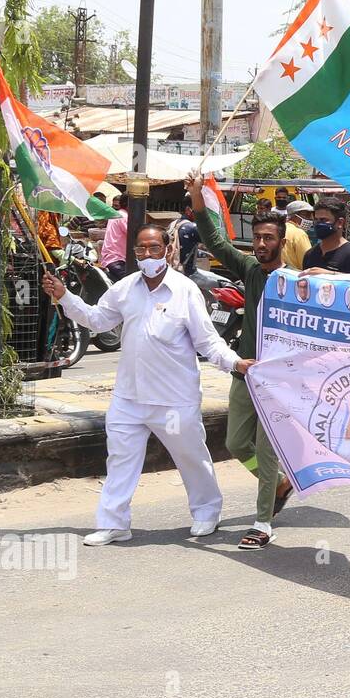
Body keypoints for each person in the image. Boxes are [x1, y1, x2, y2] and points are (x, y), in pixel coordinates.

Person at [40, 224, 251, 545]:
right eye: (141, 250)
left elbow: (208, 343)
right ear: (135, 252)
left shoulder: (184, 290)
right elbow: (97, 319)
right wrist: (64, 296)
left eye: (154, 248)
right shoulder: (125, 288)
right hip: (129, 396)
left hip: (174, 398)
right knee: (120, 459)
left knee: (191, 455)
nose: (148, 255)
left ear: (167, 250)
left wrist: (234, 363)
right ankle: (114, 523)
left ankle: (207, 510)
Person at [189, 174, 294, 549]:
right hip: (244, 373)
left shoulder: (294, 283)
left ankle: (263, 522)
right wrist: (198, 203)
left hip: (276, 382)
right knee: (235, 443)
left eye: (270, 239)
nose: (262, 244)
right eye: (259, 238)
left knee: (267, 452)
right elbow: (216, 240)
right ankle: (280, 483)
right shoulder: (250, 270)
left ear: (282, 243)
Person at [301, 198, 350, 275]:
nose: (318, 224)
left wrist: (331, 274)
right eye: (316, 219)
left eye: (323, 220)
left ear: (340, 222)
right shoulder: (310, 255)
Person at [99, 191, 129, 281]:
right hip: (117, 260)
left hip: (110, 259)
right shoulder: (124, 217)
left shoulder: (117, 214)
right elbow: (137, 237)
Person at [281, 200, 312, 270]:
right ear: (295, 216)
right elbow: (308, 263)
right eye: (306, 215)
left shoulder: (281, 228)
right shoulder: (300, 234)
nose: (310, 218)